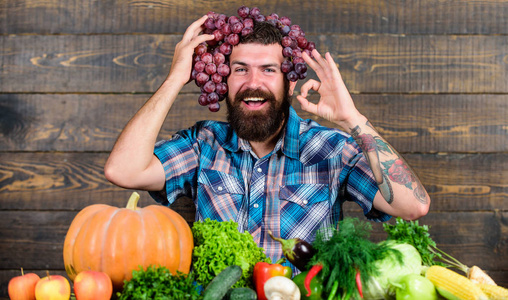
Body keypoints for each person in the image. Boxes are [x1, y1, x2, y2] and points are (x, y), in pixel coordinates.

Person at [104, 15, 430, 269]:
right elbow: (123, 171)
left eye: (269, 70)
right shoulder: (203, 145)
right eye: (240, 69)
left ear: (289, 84)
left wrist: (352, 119)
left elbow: (412, 205)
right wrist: (175, 77)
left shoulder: (330, 149)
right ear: (224, 80)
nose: (254, 83)